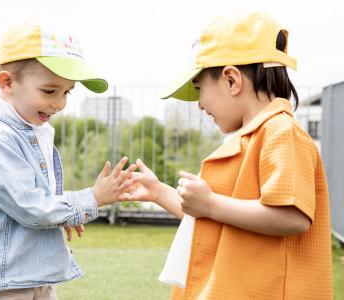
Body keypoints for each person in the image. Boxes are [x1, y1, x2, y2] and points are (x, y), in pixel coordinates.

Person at [122, 12, 332, 299]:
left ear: (231, 80)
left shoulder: (282, 133)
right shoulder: (248, 140)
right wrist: (159, 192)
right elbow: (214, 216)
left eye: (199, 89)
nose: (199, 105)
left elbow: (292, 216)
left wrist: (210, 204)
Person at [0, 19, 137, 300]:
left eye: (67, 92)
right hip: (3, 280)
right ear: (7, 82)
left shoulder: (32, 131)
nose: (59, 103)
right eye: (49, 91)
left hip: (31, 272)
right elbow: (31, 207)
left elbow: (33, 196)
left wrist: (61, 213)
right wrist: (92, 198)